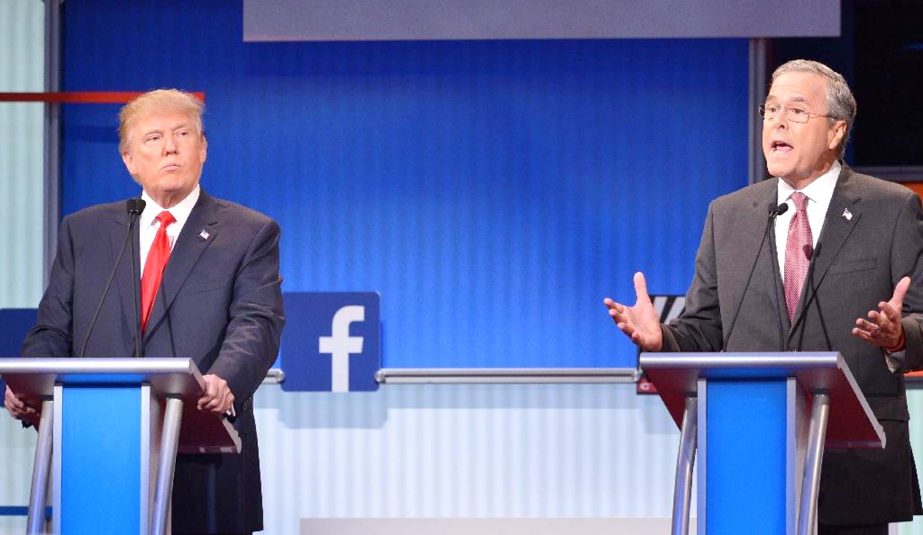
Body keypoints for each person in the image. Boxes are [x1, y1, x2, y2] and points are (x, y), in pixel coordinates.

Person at [605, 59, 923, 534]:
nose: (776, 120)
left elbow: (919, 318)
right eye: (770, 108)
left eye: (796, 111)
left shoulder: (891, 208)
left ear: (836, 131)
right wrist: (662, 342)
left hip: (855, 466)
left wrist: (898, 336)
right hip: (750, 458)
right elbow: (706, 329)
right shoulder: (729, 215)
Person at [3, 89, 285, 534]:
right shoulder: (85, 231)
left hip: (205, 455)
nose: (170, 146)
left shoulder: (248, 232)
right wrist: (31, 385)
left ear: (203, 149)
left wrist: (225, 379)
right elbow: (53, 327)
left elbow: (258, 322)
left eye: (182, 134)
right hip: (100, 457)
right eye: (153, 137)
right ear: (129, 160)